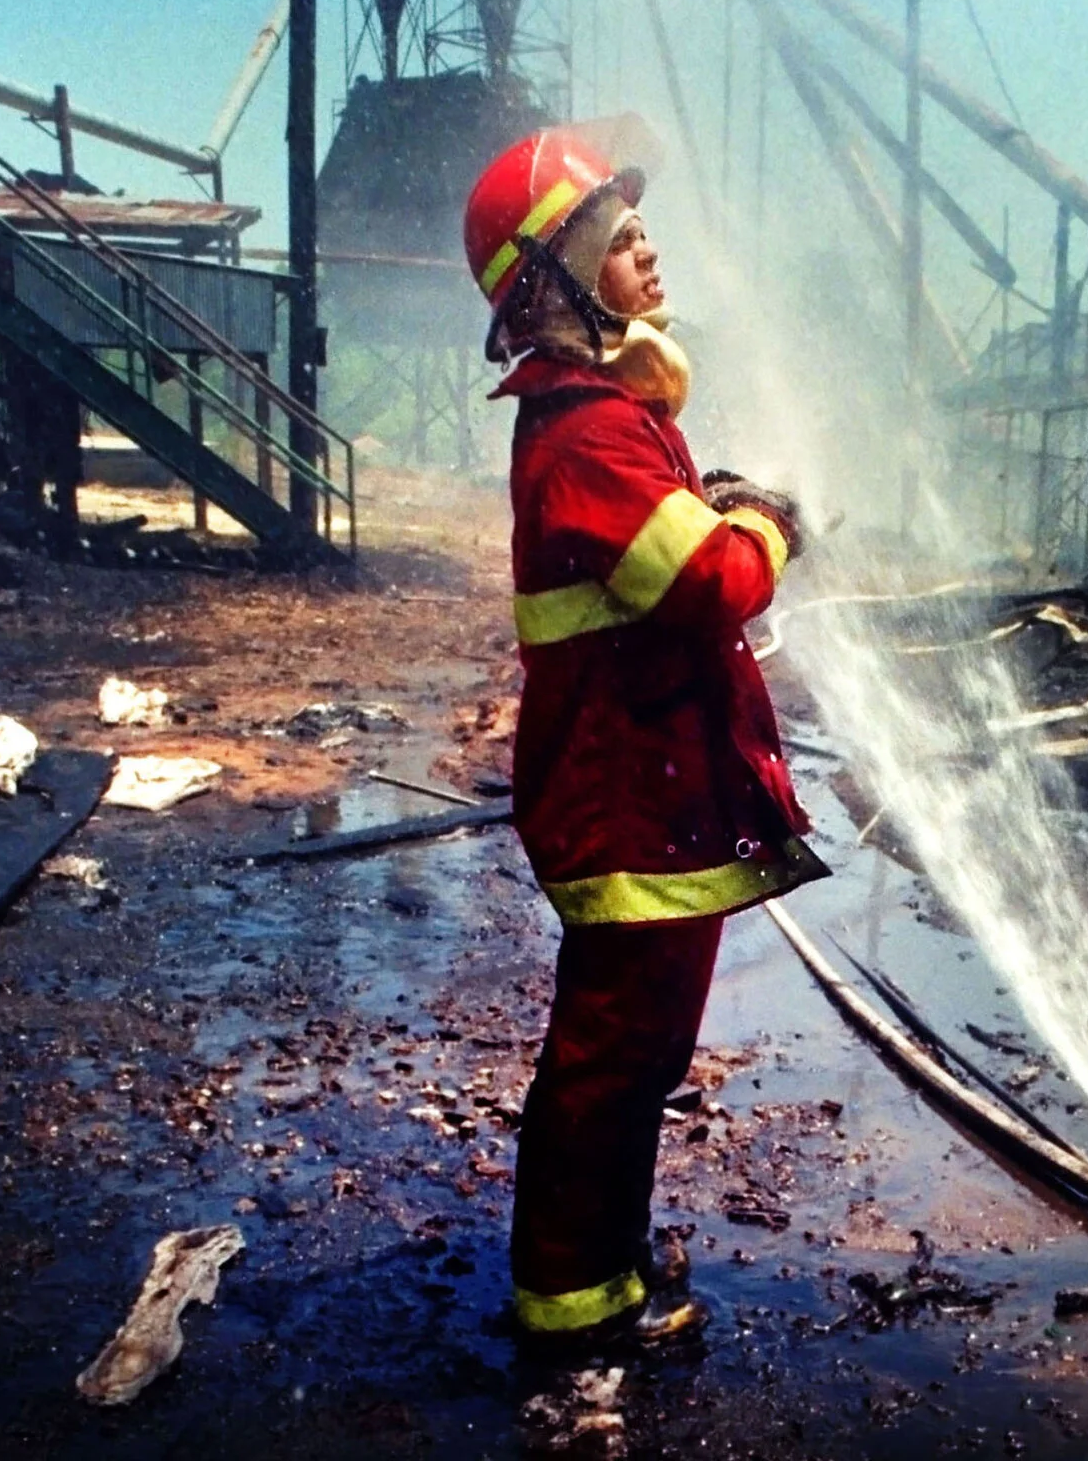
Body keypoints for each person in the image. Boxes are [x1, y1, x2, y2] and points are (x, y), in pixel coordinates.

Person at [461, 129, 829, 1343]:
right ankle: (570, 1306)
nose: (646, 248)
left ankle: (601, 1271)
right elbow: (709, 580)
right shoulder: (582, 432)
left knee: (639, 1055)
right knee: (614, 1061)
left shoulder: (611, 419)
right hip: (628, 804)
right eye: (617, 240)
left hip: (649, 797)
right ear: (554, 280)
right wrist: (768, 522)